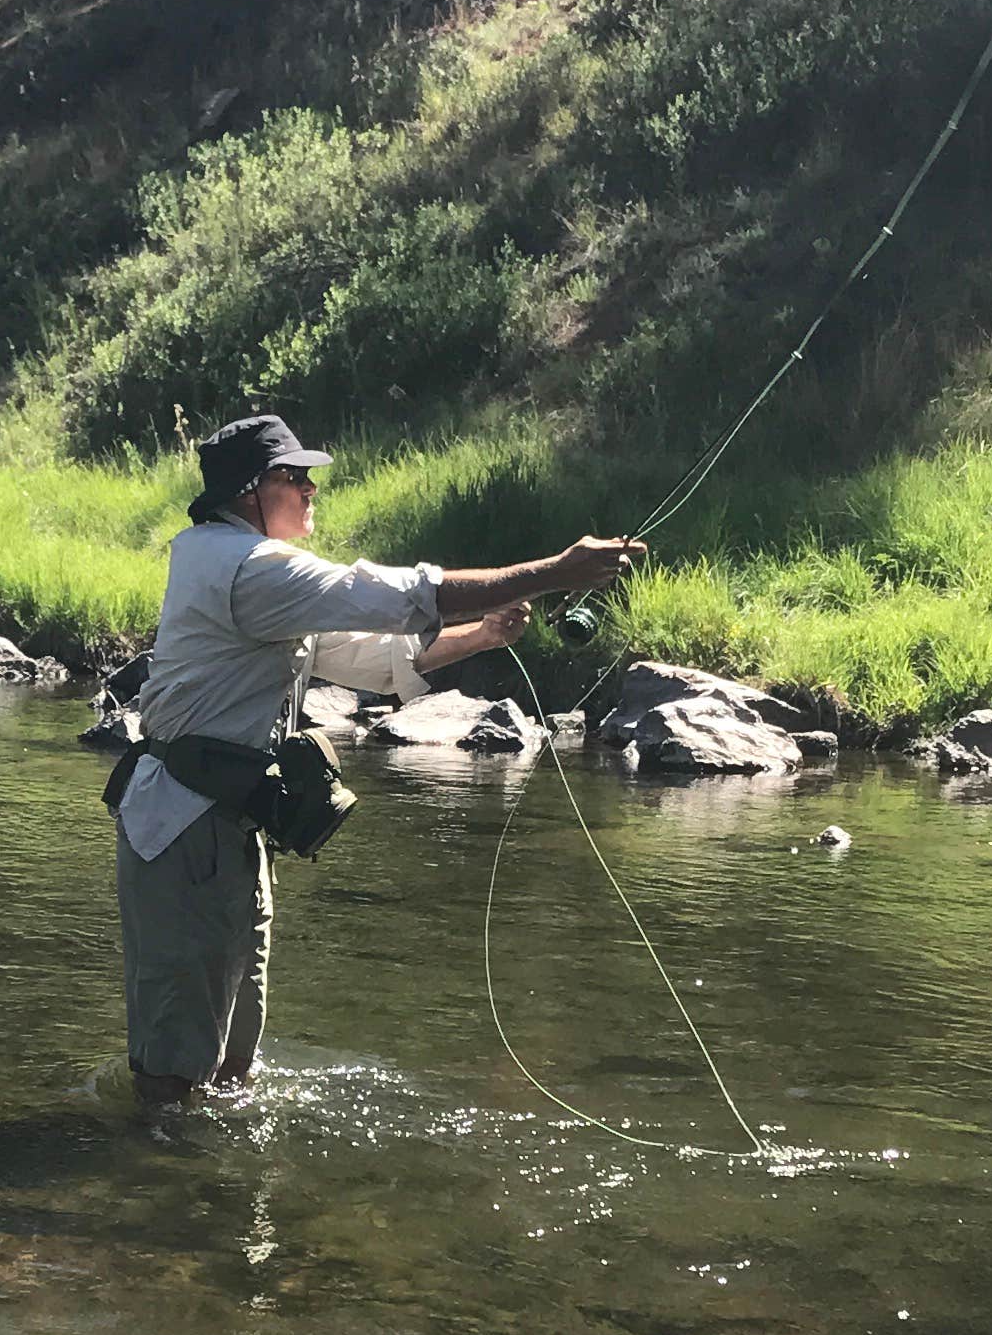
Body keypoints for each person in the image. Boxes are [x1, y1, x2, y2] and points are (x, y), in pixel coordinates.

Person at [111, 410, 642, 1117]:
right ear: (249, 490)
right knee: (175, 1061)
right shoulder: (247, 565)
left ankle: (208, 1174)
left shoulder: (247, 569)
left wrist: (480, 634)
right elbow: (392, 595)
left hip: (228, 829)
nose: (310, 490)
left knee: (235, 1053)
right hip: (185, 832)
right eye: (293, 477)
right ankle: (158, 1181)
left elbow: (366, 657)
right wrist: (555, 571)